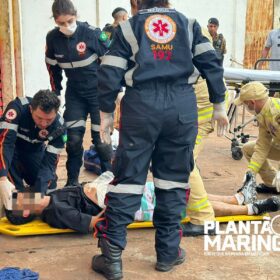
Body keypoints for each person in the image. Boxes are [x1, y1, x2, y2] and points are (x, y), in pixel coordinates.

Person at [92, 0, 229, 278]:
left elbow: (110, 70)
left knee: (128, 179)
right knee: (174, 180)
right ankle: (168, 253)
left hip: (141, 106)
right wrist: (219, 104)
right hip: (181, 106)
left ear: (135, 2)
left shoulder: (129, 26)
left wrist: (106, 112)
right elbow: (211, 63)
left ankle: (113, 256)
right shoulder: (189, 24)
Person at [45, 0, 112, 188]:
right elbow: (52, 68)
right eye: (61, 23)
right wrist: (56, 91)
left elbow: (112, 64)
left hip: (99, 93)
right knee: (73, 140)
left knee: (101, 141)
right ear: (55, 22)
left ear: (76, 16)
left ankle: (110, 182)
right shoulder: (52, 39)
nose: (66, 26)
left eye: (70, 21)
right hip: (74, 94)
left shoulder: (92, 33)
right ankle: (72, 183)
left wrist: (117, 92)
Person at [0, 90, 65, 215]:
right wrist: (2, 178)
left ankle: (28, 200)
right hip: (11, 149)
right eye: (39, 118)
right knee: (14, 204)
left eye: (49, 120)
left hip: (33, 151)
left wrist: (39, 197)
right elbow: (5, 144)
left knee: (48, 187)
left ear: (56, 113)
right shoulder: (17, 109)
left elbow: (49, 164)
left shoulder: (59, 127)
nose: (44, 124)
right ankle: (15, 191)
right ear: (31, 109)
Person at [234, 81, 280, 194]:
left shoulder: (277, 113)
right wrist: (251, 172)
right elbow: (262, 146)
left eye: (245, 104)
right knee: (248, 148)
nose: (245, 107)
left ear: (252, 102)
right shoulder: (264, 114)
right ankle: (272, 185)